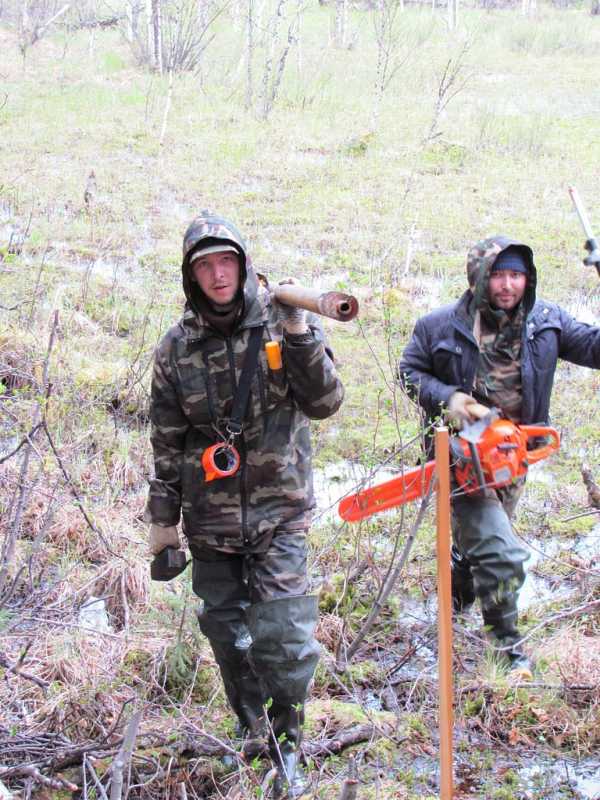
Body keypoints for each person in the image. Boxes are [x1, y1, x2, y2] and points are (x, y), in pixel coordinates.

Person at [145, 212, 344, 797]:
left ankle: (288, 745)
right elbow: (166, 440)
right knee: (228, 636)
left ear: (243, 264)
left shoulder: (284, 324)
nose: (218, 275)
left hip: (280, 512)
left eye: (226, 262)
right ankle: (253, 729)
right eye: (205, 266)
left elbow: (326, 403)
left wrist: (301, 335)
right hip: (209, 519)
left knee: (283, 635)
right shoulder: (176, 349)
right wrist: (163, 523)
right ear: (191, 276)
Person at [399, 235, 600, 677]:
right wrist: (449, 399)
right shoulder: (439, 326)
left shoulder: (546, 321)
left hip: (513, 457)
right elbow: (409, 371)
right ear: (479, 278)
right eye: (498, 275)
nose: (508, 285)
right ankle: (506, 650)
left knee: (485, 543)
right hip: (460, 460)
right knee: (502, 554)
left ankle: (460, 577)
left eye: (516, 275)